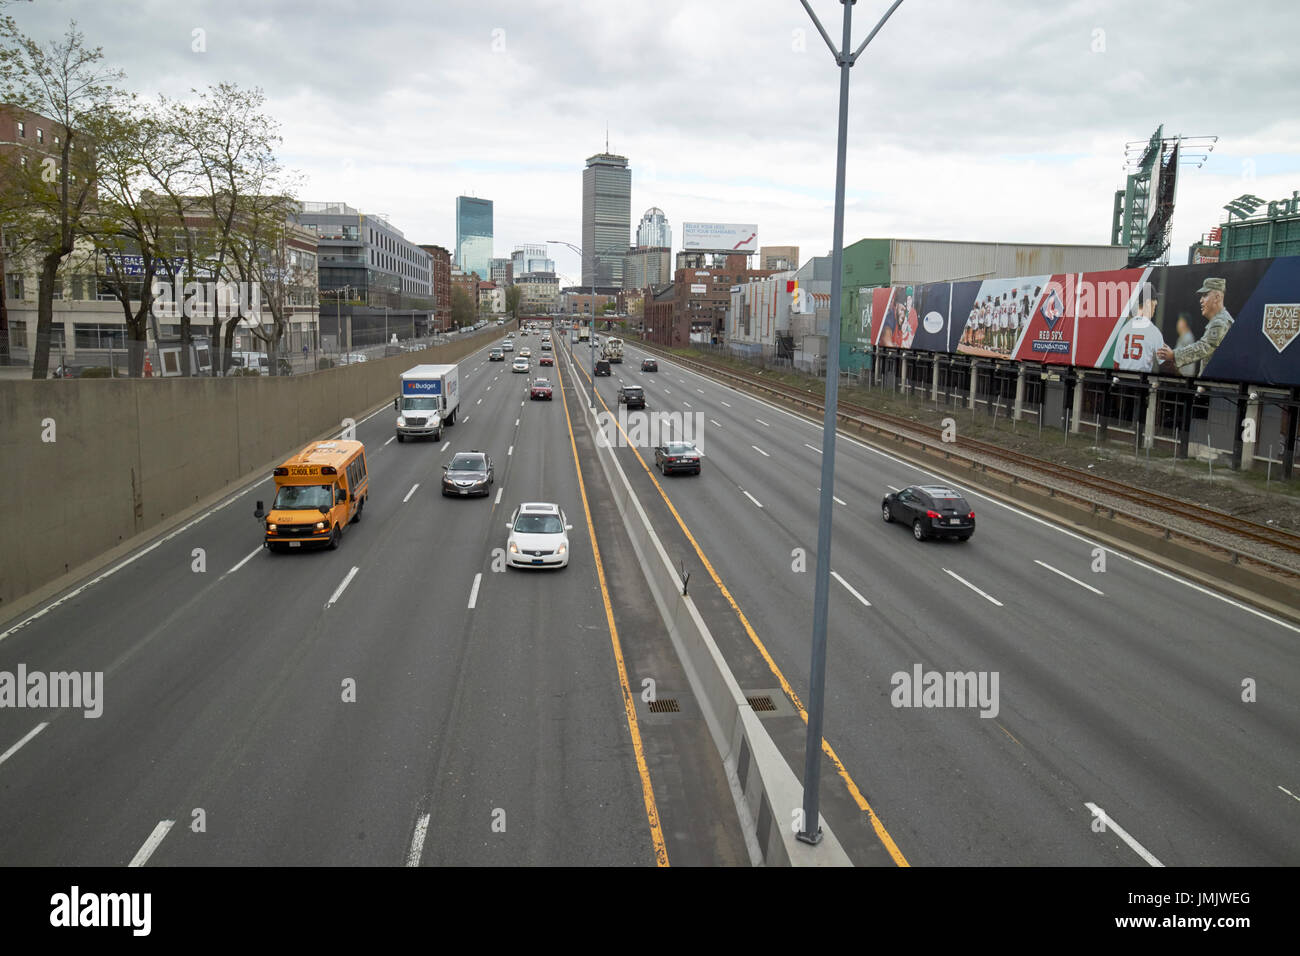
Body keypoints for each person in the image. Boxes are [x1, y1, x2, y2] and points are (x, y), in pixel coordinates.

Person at [1156, 277, 1233, 374]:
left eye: (1205, 295)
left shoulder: (1221, 322)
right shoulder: (1219, 321)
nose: (1201, 300)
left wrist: (1174, 355)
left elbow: (1204, 347)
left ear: (1217, 297)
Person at [1113, 288, 1165, 372]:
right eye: (1154, 299)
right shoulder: (1154, 331)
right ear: (1148, 303)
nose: (1156, 302)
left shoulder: (1124, 329)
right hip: (1140, 382)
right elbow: (1165, 364)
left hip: (1122, 381)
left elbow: (1116, 363)